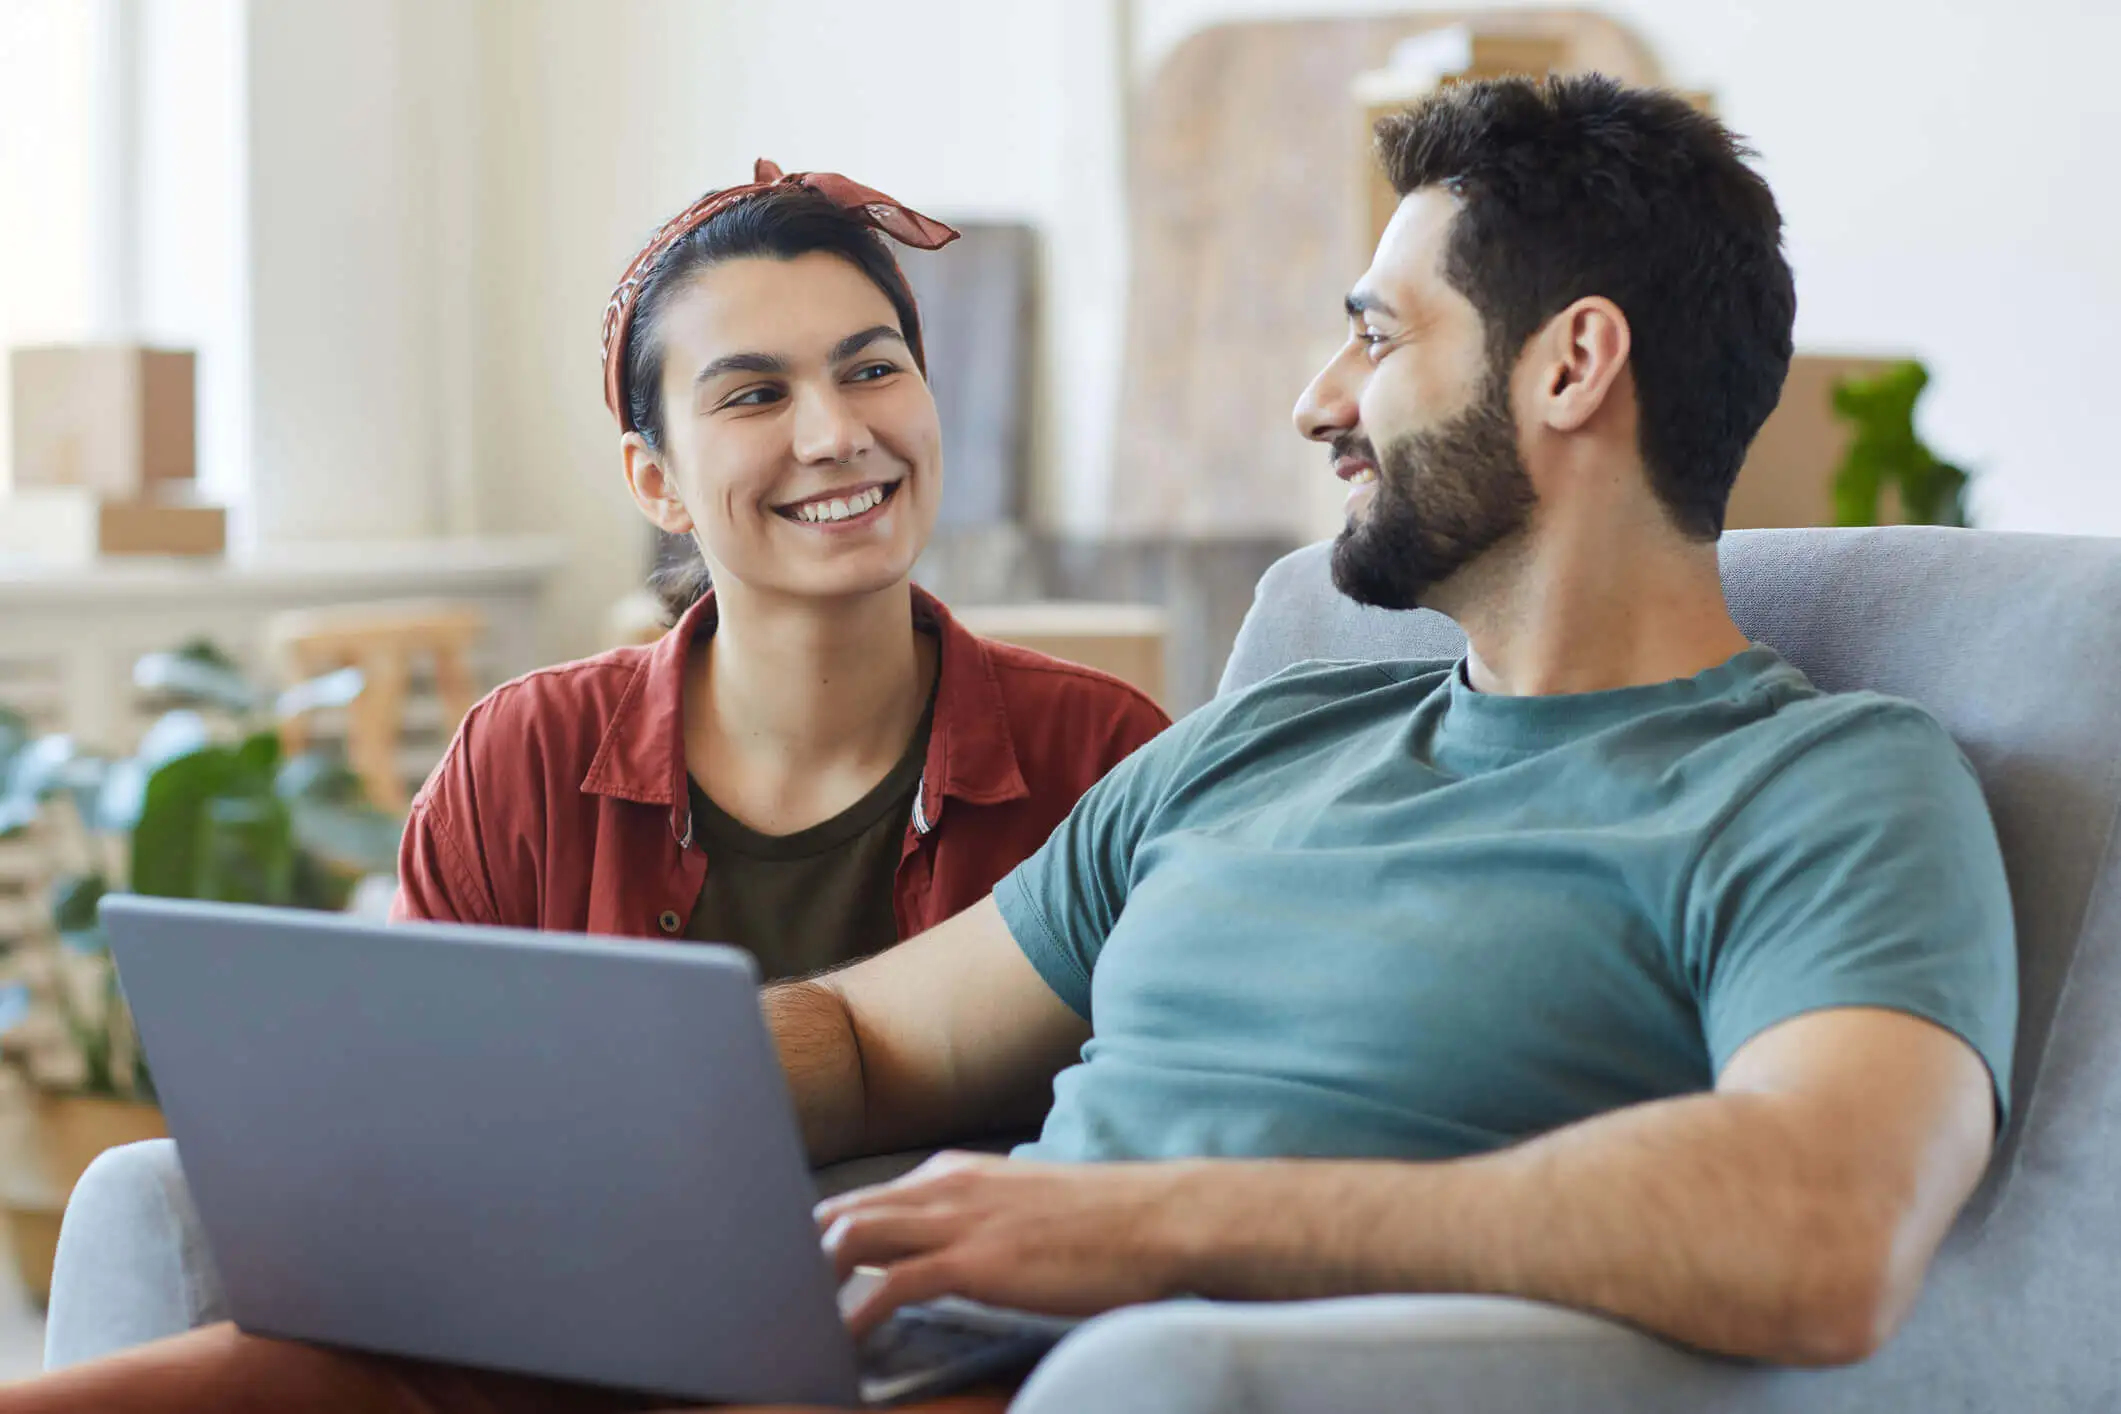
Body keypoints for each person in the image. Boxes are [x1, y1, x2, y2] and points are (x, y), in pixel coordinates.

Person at [1, 75, 2015, 1414]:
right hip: (874, 1330)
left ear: (1573, 363)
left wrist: (1151, 1219)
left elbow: (1820, 1218)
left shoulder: (1827, 786)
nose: (1317, 397)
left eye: (1375, 332)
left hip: (1092, 1367)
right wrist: (501, 1110)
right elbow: (874, 1038)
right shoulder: (1263, 740)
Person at [391, 160, 1169, 980]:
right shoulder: (520, 764)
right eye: (755, 395)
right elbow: (420, 1056)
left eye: (872, 371)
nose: (836, 436)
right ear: (656, 483)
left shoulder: (1105, 756)